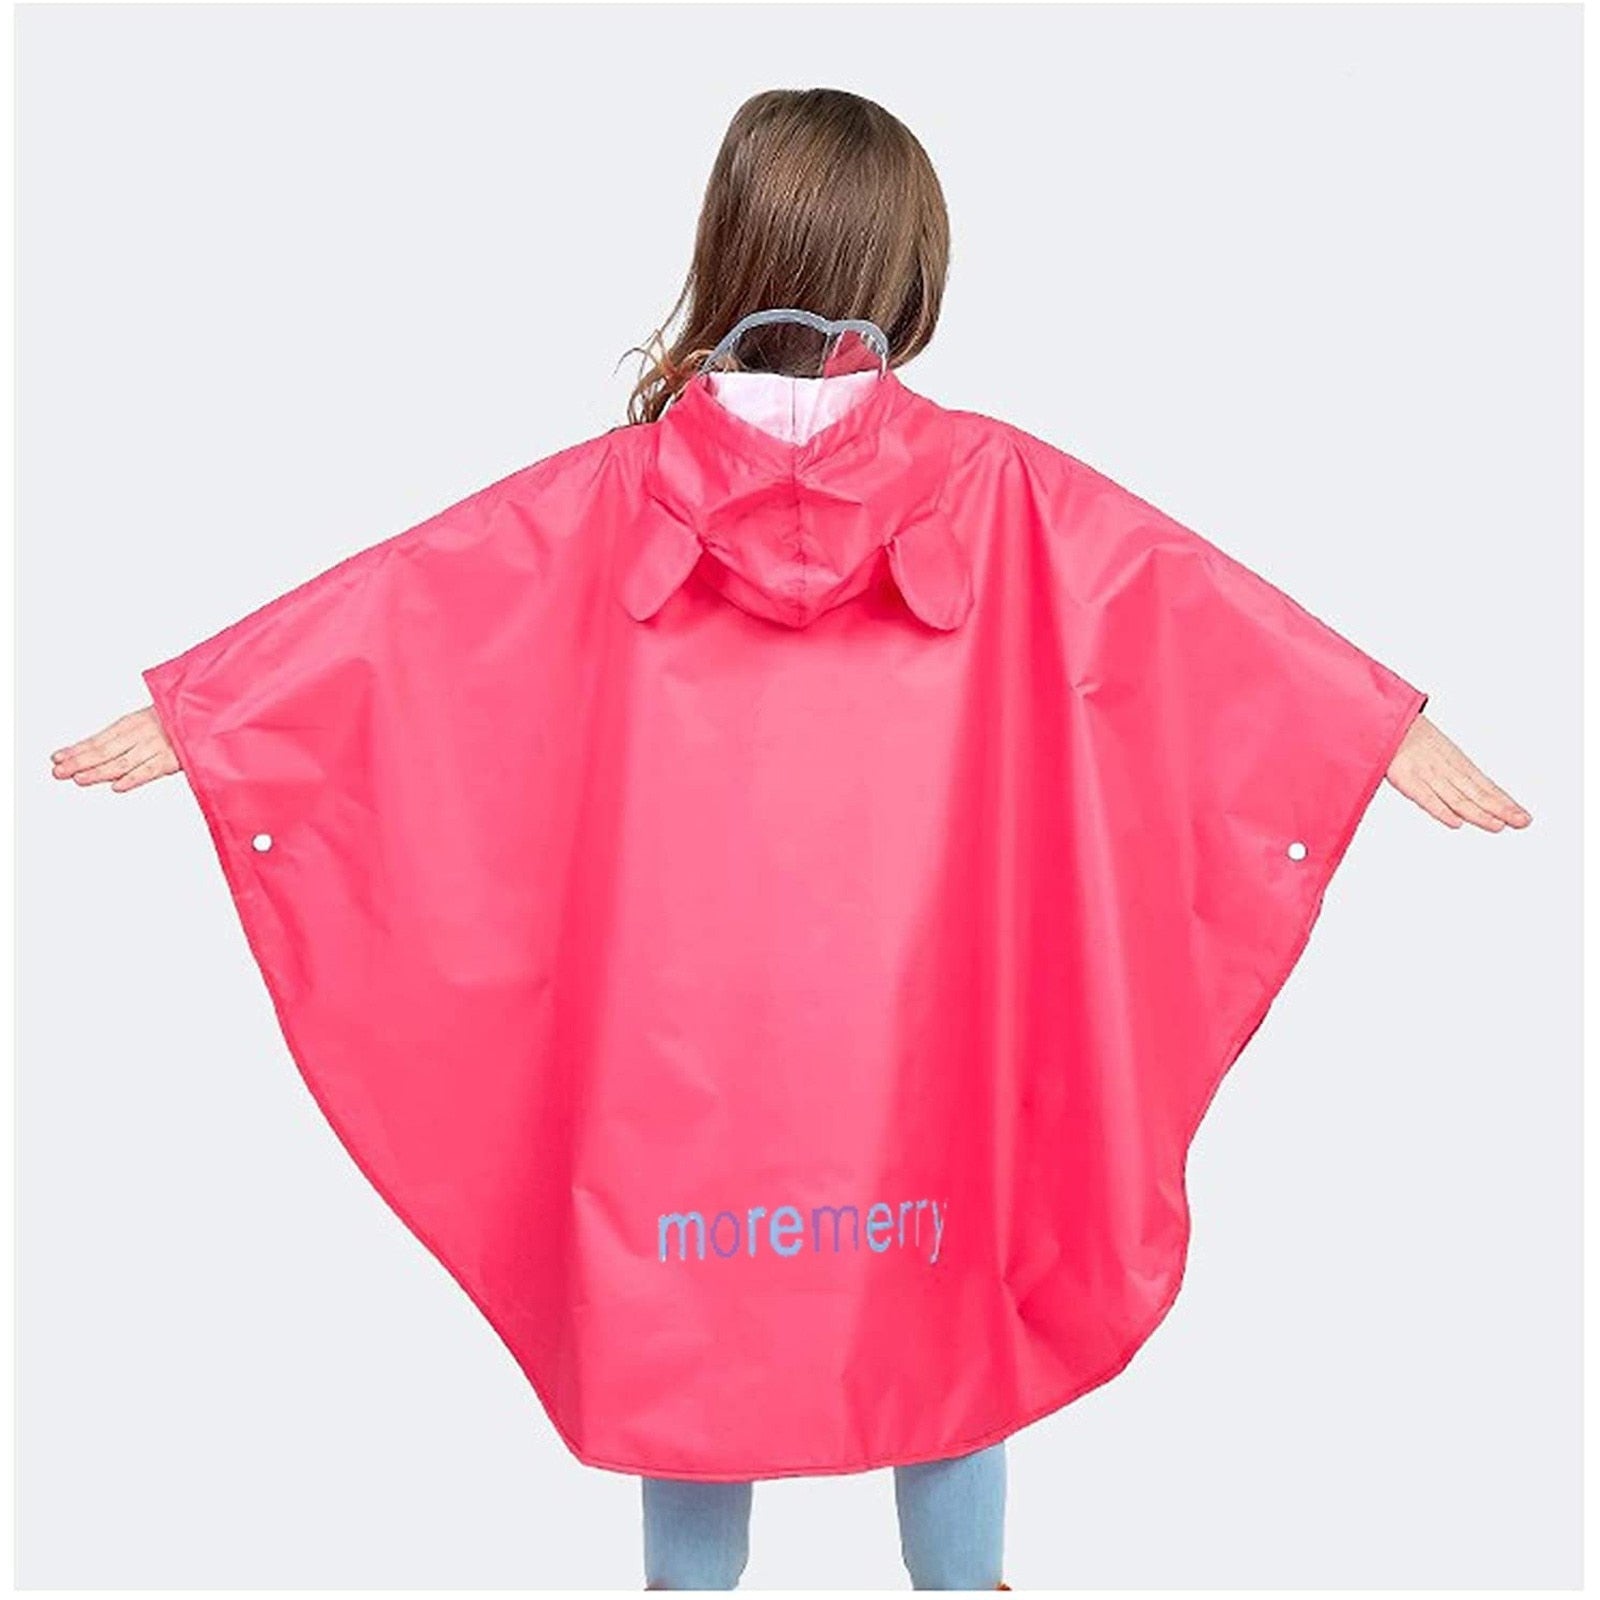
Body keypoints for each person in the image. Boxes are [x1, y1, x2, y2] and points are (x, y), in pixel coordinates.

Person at [50, 88, 1529, 1591]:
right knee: (952, 1291)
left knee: (683, 1318)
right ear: (912, 269)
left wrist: (220, 715)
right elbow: (1180, 613)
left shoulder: (610, 499)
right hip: (925, 1028)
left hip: (675, 1049)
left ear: (728, 245)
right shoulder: (1001, 488)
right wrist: (1363, 728)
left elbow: (422, 612)